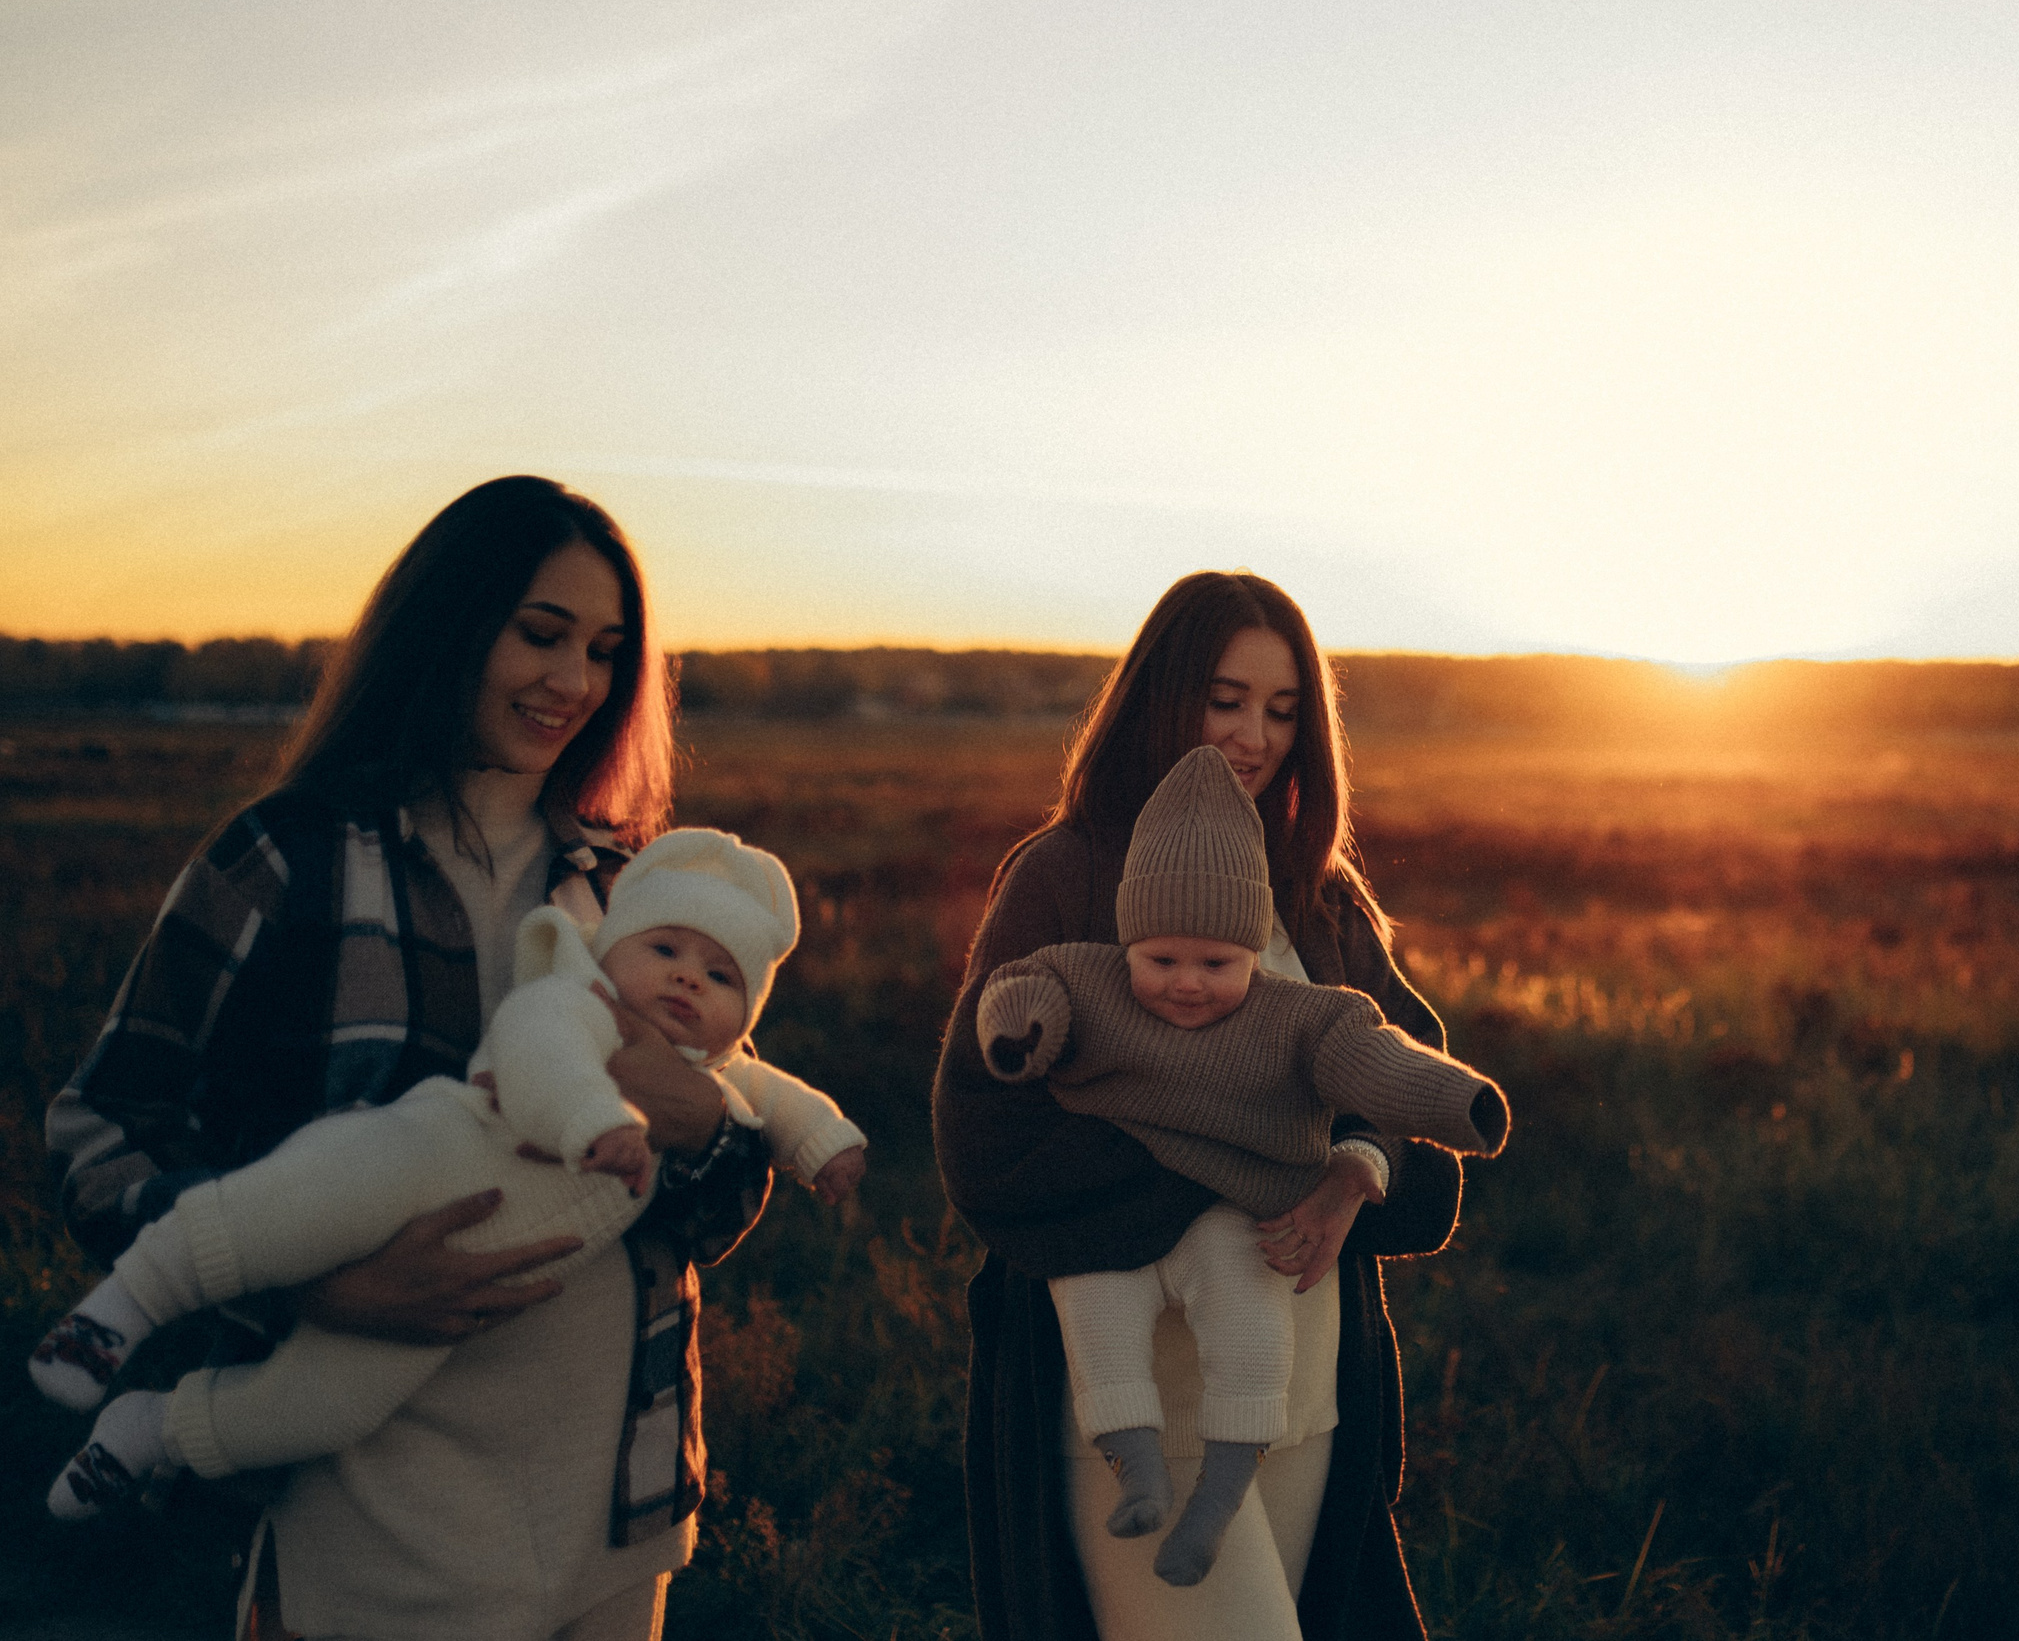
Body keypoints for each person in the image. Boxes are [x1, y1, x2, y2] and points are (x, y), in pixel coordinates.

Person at [46, 477, 773, 1641]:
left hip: (614, 1506)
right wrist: (301, 1281)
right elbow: (104, 1129)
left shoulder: (636, 883)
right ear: (449, 623)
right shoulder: (288, 858)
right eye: (539, 633)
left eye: (604, 651)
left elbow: (717, 1200)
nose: (574, 681)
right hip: (372, 1509)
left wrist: (707, 1130)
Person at [37, 827, 869, 1521]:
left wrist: (824, 1143)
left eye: (722, 975)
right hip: (418, 1159)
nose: (689, 976)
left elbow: (777, 1107)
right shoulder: (575, 998)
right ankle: (124, 1305)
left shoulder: (719, 1072)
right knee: (280, 1211)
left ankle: (158, 1429)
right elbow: (542, 1060)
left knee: (330, 1406)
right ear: (610, 948)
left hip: (476, 1307)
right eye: (665, 948)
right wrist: (599, 1121)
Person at [933, 570, 1467, 1641]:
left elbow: (1414, 1125)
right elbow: (986, 1142)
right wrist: (1252, 1159)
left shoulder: (1320, 897)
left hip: (1302, 1394)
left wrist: (1350, 1176)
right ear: (1162, 695)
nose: (1253, 737)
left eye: (1282, 710)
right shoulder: (1065, 874)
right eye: (1225, 700)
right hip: (1130, 1400)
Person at [971, 744, 1507, 1589]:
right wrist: (1017, 1034)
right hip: (1109, 1233)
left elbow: (1375, 1057)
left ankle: (1219, 1491)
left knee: (1253, 1314)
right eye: (1161, 960)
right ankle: (1136, 1464)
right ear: (1126, 939)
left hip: (1246, 1224)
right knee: (1094, 1307)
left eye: (1215, 964)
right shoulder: (1089, 967)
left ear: (1253, 952)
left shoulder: (1294, 1011)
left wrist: (1455, 1104)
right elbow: (1025, 988)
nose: (1187, 983)